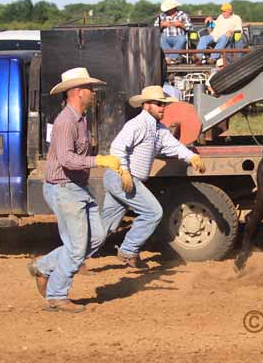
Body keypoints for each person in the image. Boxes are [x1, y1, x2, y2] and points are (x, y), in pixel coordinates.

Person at [27, 68, 122, 313]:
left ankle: (44, 266)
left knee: (98, 236)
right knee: (77, 247)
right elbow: (67, 159)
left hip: (77, 187)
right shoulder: (66, 121)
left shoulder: (81, 120)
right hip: (64, 188)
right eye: (89, 89)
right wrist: (99, 161)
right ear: (78, 92)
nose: (92, 93)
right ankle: (57, 295)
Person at [101, 86, 206, 269]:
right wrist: (124, 171)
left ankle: (72, 254)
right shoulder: (137, 124)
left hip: (120, 178)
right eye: (158, 104)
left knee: (106, 226)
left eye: (163, 104)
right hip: (123, 177)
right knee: (153, 212)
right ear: (146, 105)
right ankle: (128, 250)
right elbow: (117, 147)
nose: (162, 108)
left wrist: (191, 157)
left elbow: (173, 146)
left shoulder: (158, 129)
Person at [154, 0, 192, 65]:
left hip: (178, 36)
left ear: (173, 8)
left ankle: (169, 59)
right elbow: (154, 29)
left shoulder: (183, 15)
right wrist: (161, 25)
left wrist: (181, 25)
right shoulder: (161, 16)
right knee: (160, 39)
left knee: (182, 39)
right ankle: (172, 59)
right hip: (166, 37)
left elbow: (190, 27)